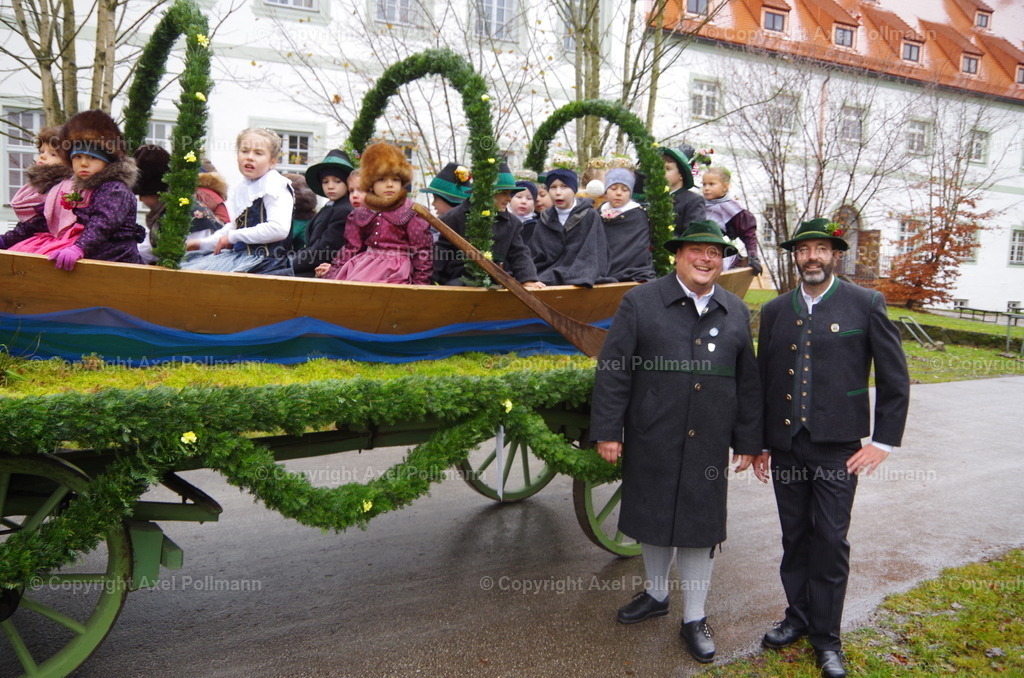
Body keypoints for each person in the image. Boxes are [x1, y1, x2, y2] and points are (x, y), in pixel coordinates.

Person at [590, 219, 762, 664]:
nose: (706, 259)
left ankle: (695, 617)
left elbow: (749, 381)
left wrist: (748, 439)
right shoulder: (640, 301)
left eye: (715, 253)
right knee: (653, 514)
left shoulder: (735, 309)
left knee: (699, 526)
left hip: (709, 441)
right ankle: (656, 593)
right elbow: (614, 370)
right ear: (678, 254)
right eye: (696, 251)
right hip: (653, 433)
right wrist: (608, 430)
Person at [756, 218, 910, 678]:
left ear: (834, 254)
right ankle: (797, 618)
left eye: (820, 249)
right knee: (794, 536)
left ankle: (827, 638)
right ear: (795, 256)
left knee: (830, 539)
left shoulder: (865, 303)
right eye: (804, 250)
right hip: (785, 446)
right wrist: (762, 442)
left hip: (837, 448)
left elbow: (894, 376)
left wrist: (883, 441)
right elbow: (765, 380)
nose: (812, 257)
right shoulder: (776, 310)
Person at [2, 109, 144, 268]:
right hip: (92, 248)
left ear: (107, 162)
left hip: (115, 253)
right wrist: (7, 240)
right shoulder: (80, 187)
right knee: (28, 254)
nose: (83, 163)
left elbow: (103, 224)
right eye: (78, 157)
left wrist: (79, 248)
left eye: (92, 157)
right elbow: (41, 220)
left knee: (46, 263)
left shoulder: (114, 189)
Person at [182, 128, 294, 273]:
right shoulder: (244, 186)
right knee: (185, 265)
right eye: (245, 151)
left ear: (272, 162)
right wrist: (199, 243)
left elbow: (278, 229)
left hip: (265, 263)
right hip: (241, 256)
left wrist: (233, 237)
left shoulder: (274, 184)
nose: (250, 157)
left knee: (197, 275)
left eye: (258, 153)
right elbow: (234, 227)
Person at [321, 142, 432, 285]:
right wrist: (332, 274)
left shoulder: (412, 211)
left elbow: (422, 252)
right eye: (382, 179)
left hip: (396, 272)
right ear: (371, 183)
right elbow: (351, 248)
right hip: (364, 267)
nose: (390, 184)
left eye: (395, 179)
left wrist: (420, 285)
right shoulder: (361, 213)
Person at [433, 163, 543, 288]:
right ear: (486, 193)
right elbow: (442, 251)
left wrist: (528, 279)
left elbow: (519, 253)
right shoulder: (455, 217)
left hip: (497, 281)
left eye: (509, 194)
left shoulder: (512, 224)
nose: (508, 198)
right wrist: (430, 282)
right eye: (503, 193)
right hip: (459, 279)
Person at [132, 144, 224, 265]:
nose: (140, 200)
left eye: (142, 194)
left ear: (156, 192)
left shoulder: (179, 213)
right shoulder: (174, 207)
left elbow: (147, 252)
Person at [530, 168, 611, 287]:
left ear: (574, 190)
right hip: (547, 273)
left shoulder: (589, 215)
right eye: (553, 187)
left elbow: (592, 253)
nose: (558, 192)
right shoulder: (544, 219)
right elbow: (537, 255)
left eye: (564, 186)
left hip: (581, 271)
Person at [285, 149, 356, 277]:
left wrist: (288, 264)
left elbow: (324, 250)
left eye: (337, 181)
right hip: (311, 266)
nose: (330, 186)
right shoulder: (330, 207)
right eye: (325, 181)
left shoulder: (344, 210)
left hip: (323, 271)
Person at [701, 166, 762, 275]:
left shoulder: (732, 209)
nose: (706, 188)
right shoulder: (698, 205)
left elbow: (749, 235)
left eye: (711, 184)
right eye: (704, 184)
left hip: (722, 255)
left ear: (725, 187)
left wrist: (753, 258)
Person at [8, 126, 70, 228]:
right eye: (42, 151)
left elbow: (36, 224)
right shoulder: (35, 187)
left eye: (52, 154)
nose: (43, 156)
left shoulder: (65, 188)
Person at [600, 168, 654, 282]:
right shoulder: (598, 212)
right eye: (613, 188)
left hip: (630, 269)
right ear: (606, 191)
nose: (618, 193)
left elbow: (638, 248)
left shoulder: (638, 216)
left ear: (630, 193)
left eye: (625, 190)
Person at [662, 146, 706, 235]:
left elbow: (693, 234)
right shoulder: (651, 197)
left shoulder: (693, 201)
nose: (662, 172)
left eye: (667, 169)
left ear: (681, 175)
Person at [508, 179, 538, 246]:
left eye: (529, 198)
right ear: (509, 199)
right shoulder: (503, 221)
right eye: (519, 197)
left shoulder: (535, 227)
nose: (523, 201)